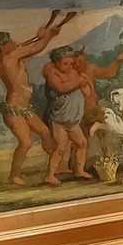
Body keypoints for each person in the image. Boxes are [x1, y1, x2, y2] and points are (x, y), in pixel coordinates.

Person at [0, 10, 76, 185]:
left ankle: (56, 167)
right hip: (14, 109)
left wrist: (41, 35)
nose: (14, 42)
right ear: (3, 46)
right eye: (10, 42)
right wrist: (49, 35)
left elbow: (27, 48)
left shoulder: (5, 57)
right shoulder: (10, 56)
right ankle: (14, 174)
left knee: (45, 132)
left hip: (23, 108)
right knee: (26, 143)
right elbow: (35, 48)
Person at [42, 46, 93, 185]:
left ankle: (79, 170)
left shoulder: (74, 73)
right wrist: (79, 82)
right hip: (59, 117)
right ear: (57, 62)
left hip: (72, 118)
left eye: (71, 63)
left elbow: (84, 88)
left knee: (82, 143)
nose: (69, 66)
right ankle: (50, 175)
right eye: (65, 63)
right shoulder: (53, 74)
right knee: (61, 147)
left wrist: (85, 88)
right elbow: (62, 88)